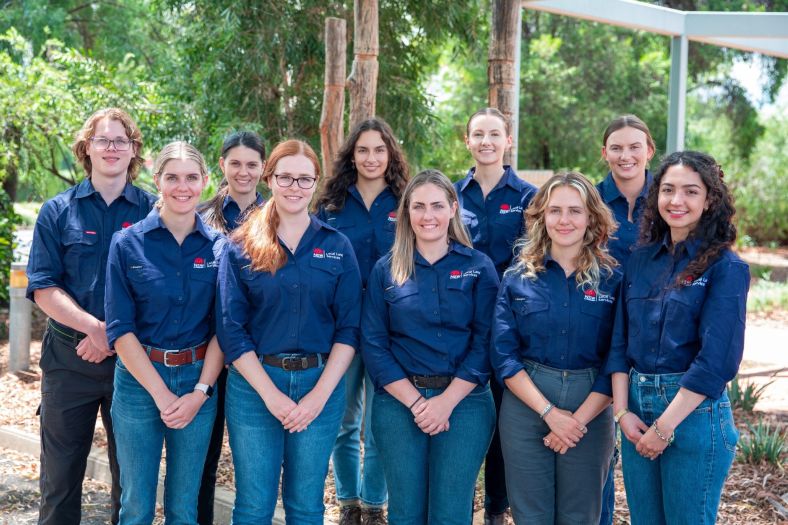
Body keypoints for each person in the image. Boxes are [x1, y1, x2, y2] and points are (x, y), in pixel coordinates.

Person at [216, 139, 362, 524]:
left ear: (316, 182)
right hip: (254, 387)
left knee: (306, 505)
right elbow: (231, 329)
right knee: (253, 505)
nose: (294, 187)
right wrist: (271, 395)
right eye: (285, 177)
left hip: (321, 383)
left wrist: (318, 396)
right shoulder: (242, 245)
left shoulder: (337, 246)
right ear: (270, 178)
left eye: (304, 179)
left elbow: (349, 329)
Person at [26, 108, 157, 525]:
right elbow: (44, 289)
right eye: (103, 140)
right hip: (69, 362)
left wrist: (115, 339)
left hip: (134, 367)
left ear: (133, 150)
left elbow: (160, 291)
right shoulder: (57, 211)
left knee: (131, 485)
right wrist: (98, 330)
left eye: (122, 140)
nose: (113, 148)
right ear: (87, 148)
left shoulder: (154, 213)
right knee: (60, 481)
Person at [604, 151, 749, 524]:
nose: (676, 201)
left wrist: (665, 427)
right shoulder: (639, 260)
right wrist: (622, 414)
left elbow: (716, 361)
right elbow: (620, 342)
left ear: (709, 199)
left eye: (690, 191)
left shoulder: (726, 268)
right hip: (636, 410)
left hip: (693, 413)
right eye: (667, 190)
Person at [363, 169, 499, 525]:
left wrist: (446, 403)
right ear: (407, 211)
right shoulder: (385, 270)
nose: (428, 216)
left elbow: (486, 342)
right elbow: (375, 346)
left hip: (465, 404)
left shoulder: (478, 267)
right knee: (406, 513)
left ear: (453, 208)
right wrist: (418, 404)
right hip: (398, 405)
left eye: (437, 205)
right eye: (419, 206)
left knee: (450, 513)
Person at [105, 141, 224, 524]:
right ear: (157, 181)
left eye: (191, 178)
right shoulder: (127, 244)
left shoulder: (221, 248)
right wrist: (160, 393)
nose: (182, 186)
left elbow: (224, 330)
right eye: (172, 177)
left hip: (197, 382)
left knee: (183, 507)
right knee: (136, 504)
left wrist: (199, 394)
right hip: (140, 383)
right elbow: (121, 330)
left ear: (205, 182)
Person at [491, 172, 620, 524]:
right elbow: (503, 355)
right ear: (541, 217)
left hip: (591, 406)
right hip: (526, 404)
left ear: (591, 217)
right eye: (555, 210)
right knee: (531, 516)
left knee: (581, 516)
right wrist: (550, 413)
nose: (564, 220)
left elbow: (618, 357)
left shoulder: (613, 279)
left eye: (575, 211)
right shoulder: (517, 276)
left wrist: (575, 422)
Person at [315, 117, 410, 525]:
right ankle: (348, 502)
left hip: (393, 326)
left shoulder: (406, 201)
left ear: (390, 154)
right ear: (351, 155)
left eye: (379, 150)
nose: (371, 158)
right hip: (342, 326)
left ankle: (374, 505)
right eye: (363, 150)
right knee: (342, 419)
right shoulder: (330, 205)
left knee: (379, 423)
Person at [454, 107, 537, 524]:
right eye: (478, 135)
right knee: (463, 420)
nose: (486, 142)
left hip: (510, 327)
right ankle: (456, 506)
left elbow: (533, 262)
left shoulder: (528, 198)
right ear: (467, 141)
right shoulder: (451, 196)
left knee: (506, 424)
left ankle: (497, 510)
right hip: (458, 327)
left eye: (495, 134)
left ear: (509, 141)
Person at [195, 130, 266, 525]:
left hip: (250, 356)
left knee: (252, 464)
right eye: (235, 163)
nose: (243, 171)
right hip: (202, 353)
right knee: (201, 460)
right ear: (221, 165)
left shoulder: (273, 218)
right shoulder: (199, 214)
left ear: (263, 169)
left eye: (252, 164)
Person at [595, 114, 656, 524]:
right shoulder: (591, 201)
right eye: (617, 147)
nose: (626, 155)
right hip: (595, 331)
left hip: (652, 335)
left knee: (646, 445)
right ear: (604, 154)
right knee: (600, 448)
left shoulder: (668, 196)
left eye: (635, 146)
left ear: (650, 150)